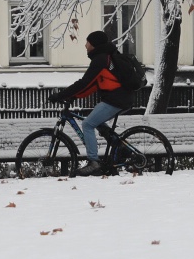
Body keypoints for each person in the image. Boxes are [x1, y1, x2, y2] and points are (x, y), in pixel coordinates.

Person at [46, 30, 134, 176]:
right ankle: (121, 147)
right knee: (96, 121)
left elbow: (84, 83)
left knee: (87, 124)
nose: (85, 45)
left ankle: (94, 162)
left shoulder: (101, 59)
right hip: (120, 98)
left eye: (88, 42)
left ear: (94, 44)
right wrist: (74, 96)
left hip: (117, 99)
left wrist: (60, 95)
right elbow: (92, 85)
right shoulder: (106, 57)